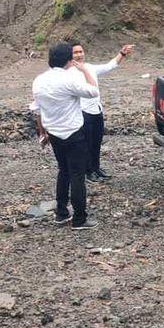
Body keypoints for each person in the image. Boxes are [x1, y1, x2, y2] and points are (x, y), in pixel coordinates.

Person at [31, 42, 100, 231]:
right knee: (77, 175)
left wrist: (42, 131)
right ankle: (79, 218)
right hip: (73, 132)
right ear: (69, 60)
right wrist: (85, 70)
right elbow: (94, 91)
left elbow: (36, 109)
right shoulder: (69, 80)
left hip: (53, 132)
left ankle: (61, 213)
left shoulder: (39, 80)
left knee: (63, 171)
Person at [70, 41, 135, 181]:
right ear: (70, 56)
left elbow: (109, 66)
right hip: (83, 112)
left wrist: (122, 53)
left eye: (81, 51)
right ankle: (88, 171)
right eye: (76, 52)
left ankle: (96, 168)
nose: (79, 55)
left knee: (97, 141)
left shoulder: (89, 68)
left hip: (96, 110)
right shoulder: (69, 73)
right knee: (86, 143)